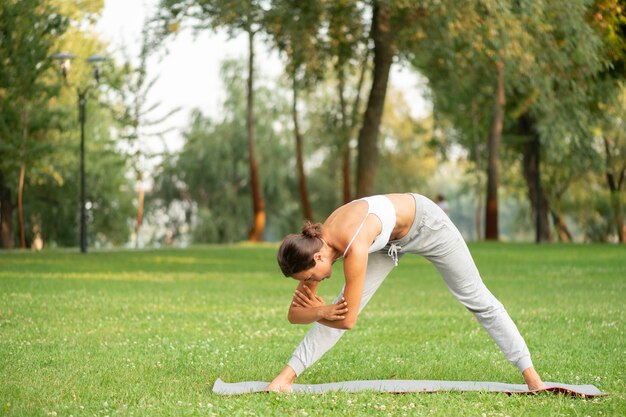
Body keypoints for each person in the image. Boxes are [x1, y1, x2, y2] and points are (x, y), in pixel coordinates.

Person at [265, 193, 546, 392]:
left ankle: (532, 377)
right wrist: (321, 311)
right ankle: (285, 379)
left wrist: (321, 311)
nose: (315, 282)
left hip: (426, 224)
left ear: (316, 259)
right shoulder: (313, 245)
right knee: (337, 308)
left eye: (312, 277)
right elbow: (294, 315)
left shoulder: (354, 245)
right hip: (386, 242)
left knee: (476, 297)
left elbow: (347, 320)